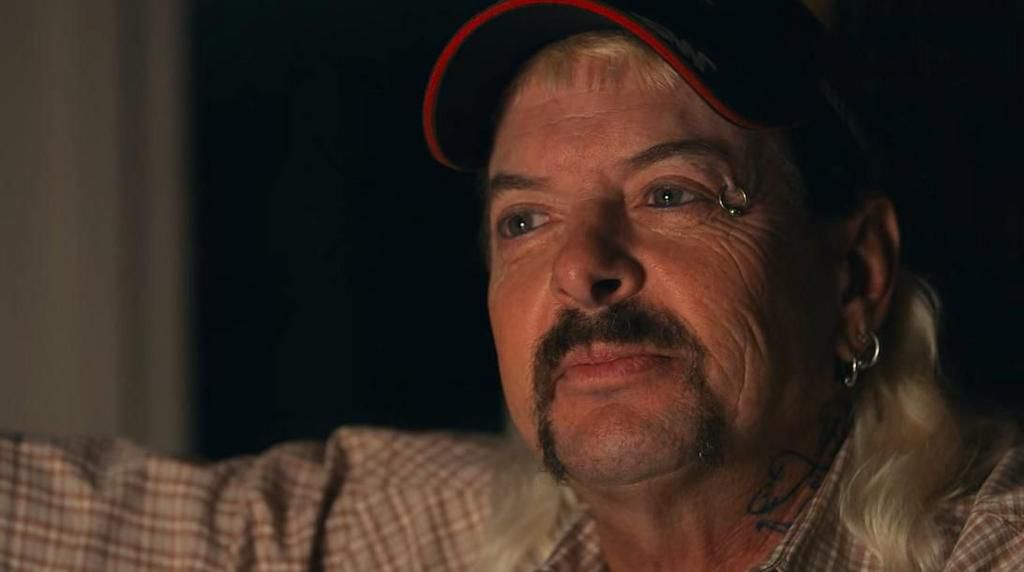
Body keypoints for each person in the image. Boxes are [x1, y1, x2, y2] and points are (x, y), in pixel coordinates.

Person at [0, 1, 1020, 571]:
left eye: (669, 193)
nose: (582, 266)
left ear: (854, 274)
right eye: (524, 219)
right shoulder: (439, 529)